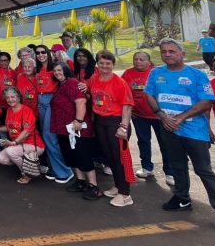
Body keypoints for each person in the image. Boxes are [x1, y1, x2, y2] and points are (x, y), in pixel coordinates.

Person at [145, 38, 215, 232]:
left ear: (182, 54)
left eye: (172, 51)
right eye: (164, 51)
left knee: (203, 170)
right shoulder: (156, 74)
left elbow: (206, 102)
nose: (167, 54)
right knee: (177, 165)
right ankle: (182, 198)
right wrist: (161, 115)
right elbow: (149, 95)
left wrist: (180, 118)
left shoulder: (196, 75)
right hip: (169, 129)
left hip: (193, 132)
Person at [85, 51, 134, 207]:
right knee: (108, 156)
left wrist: (124, 127)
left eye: (108, 63)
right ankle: (118, 186)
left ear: (113, 65)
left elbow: (127, 106)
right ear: (97, 64)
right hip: (100, 121)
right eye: (101, 63)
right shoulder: (94, 78)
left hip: (116, 122)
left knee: (119, 158)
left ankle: (125, 194)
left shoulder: (119, 83)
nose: (104, 66)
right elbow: (88, 92)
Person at [50, 62, 99, 198]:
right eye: (54, 71)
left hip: (77, 128)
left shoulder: (72, 82)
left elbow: (80, 102)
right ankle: (80, 181)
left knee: (83, 156)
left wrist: (78, 120)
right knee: (73, 156)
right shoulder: (61, 85)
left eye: (59, 70)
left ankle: (93, 186)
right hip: (65, 129)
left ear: (66, 70)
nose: (57, 73)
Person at [121, 52, 171, 182]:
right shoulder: (128, 74)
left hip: (159, 116)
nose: (138, 62)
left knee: (165, 143)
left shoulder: (157, 73)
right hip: (139, 116)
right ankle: (147, 168)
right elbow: (124, 92)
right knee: (143, 141)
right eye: (135, 59)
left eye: (142, 59)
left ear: (149, 61)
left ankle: (170, 172)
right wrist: (129, 110)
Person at [0, 86, 45, 184]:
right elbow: (9, 127)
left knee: (10, 151)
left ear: (19, 98)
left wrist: (13, 142)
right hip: (19, 145)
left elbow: (27, 132)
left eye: (12, 97)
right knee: (1, 159)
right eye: (7, 98)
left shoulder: (26, 110)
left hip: (34, 145)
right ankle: (29, 164)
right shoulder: (9, 110)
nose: (10, 100)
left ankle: (26, 174)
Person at [35, 45, 66, 180]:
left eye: (43, 52)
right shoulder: (38, 69)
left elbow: (66, 79)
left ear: (48, 53)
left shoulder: (54, 67)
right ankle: (54, 168)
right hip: (40, 99)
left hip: (52, 99)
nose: (40, 55)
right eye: (37, 53)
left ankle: (64, 171)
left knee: (50, 136)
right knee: (46, 135)